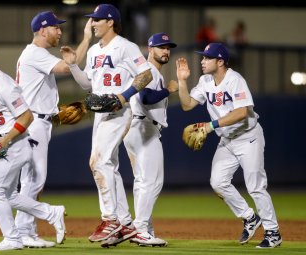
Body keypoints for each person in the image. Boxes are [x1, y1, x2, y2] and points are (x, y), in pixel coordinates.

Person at [60, 3, 153, 247]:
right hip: (100, 114)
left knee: (97, 162)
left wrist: (123, 96)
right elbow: (86, 85)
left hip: (119, 110)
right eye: (92, 19)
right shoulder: (92, 51)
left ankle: (110, 219)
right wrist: (72, 65)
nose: (92, 23)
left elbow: (146, 74)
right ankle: (125, 223)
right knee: (109, 165)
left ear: (110, 21)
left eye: (97, 19)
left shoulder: (126, 46)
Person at [0, 39, 66, 251]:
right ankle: (51, 213)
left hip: (16, 144)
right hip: (2, 143)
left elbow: (27, 117)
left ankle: (13, 238)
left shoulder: (5, 84)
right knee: (8, 194)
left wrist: (3, 140)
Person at [175, 42, 282, 248]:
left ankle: (273, 232)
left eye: (207, 58)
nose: (202, 61)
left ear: (221, 61)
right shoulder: (205, 80)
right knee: (218, 182)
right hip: (227, 140)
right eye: (203, 57)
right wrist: (181, 82)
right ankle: (250, 217)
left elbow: (242, 112)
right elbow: (187, 104)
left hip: (249, 137)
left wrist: (210, 126)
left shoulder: (235, 80)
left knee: (256, 187)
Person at [14, 11, 92, 248]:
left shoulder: (35, 54)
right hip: (34, 124)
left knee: (31, 180)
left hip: (39, 121)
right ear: (41, 30)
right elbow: (68, 67)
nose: (60, 31)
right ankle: (24, 232)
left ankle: (25, 231)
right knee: (33, 180)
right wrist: (87, 38)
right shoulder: (36, 54)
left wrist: (54, 113)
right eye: (55, 27)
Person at [122, 32, 178, 247]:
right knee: (153, 182)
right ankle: (140, 228)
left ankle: (145, 227)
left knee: (141, 182)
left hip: (136, 128)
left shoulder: (148, 70)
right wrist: (168, 90)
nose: (166, 51)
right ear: (150, 49)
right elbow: (146, 98)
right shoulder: (149, 70)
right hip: (144, 129)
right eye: (161, 46)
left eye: (168, 47)